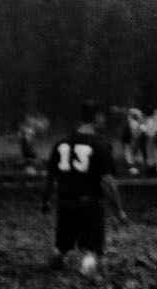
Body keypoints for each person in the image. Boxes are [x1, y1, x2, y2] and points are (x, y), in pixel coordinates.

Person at [41, 101, 126, 276]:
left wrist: (45, 201)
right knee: (93, 249)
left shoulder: (61, 143)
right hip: (90, 204)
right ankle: (87, 265)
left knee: (61, 247)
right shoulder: (100, 145)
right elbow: (108, 182)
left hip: (65, 203)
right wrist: (119, 210)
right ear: (97, 117)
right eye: (102, 116)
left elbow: (51, 178)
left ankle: (57, 256)